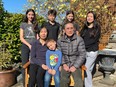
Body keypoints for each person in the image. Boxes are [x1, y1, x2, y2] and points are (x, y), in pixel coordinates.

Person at [57, 22, 86, 87]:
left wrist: (75, 66)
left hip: (75, 63)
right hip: (65, 63)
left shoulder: (79, 40)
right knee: (63, 80)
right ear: (64, 30)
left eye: (71, 28)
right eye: (67, 28)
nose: (69, 30)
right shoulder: (60, 40)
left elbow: (82, 54)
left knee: (79, 81)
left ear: (74, 29)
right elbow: (59, 54)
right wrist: (63, 64)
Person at [80, 11, 101, 87]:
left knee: (86, 69)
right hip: (84, 51)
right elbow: (81, 38)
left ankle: (88, 85)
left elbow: (94, 40)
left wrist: (83, 45)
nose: (89, 18)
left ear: (94, 18)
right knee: (89, 70)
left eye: (91, 16)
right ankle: (86, 84)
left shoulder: (97, 27)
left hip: (92, 51)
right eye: (88, 16)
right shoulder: (84, 27)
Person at [20, 8, 39, 85]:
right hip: (25, 46)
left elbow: (37, 37)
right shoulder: (23, 24)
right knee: (25, 64)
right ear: (27, 15)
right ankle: (25, 84)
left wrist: (35, 46)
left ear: (34, 16)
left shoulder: (36, 24)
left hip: (34, 46)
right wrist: (28, 45)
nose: (31, 16)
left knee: (34, 63)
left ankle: (32, 82)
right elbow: (21, 37)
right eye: (29, 14)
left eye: (32, 15)